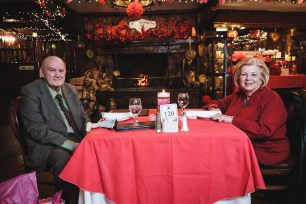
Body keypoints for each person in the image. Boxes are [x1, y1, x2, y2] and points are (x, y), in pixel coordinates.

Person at [19, 56, 91, 203]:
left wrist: (91, 131)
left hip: (76, 138)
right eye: (52, 70)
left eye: (61, 70)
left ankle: (92, 199)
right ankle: (69, 201)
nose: (57, 74)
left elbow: (83, 117)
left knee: (101, 152)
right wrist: (73, 145)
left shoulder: (70, 89)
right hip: (47, 146)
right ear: (42, 72)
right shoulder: (30, 92)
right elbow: (37, 130)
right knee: (67, 161)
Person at [209, 57, 290, 167]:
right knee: (211, 148)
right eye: (244, 74)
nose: (248, 78)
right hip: (241, 144)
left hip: (266, 150)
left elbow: (264, 131)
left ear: (261, 78)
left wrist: (231, 119)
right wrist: (213, 108)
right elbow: (217, 104)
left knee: (217, 155)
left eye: (253, 75)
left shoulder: (271, 98)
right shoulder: (239, 96)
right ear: (238, 78)